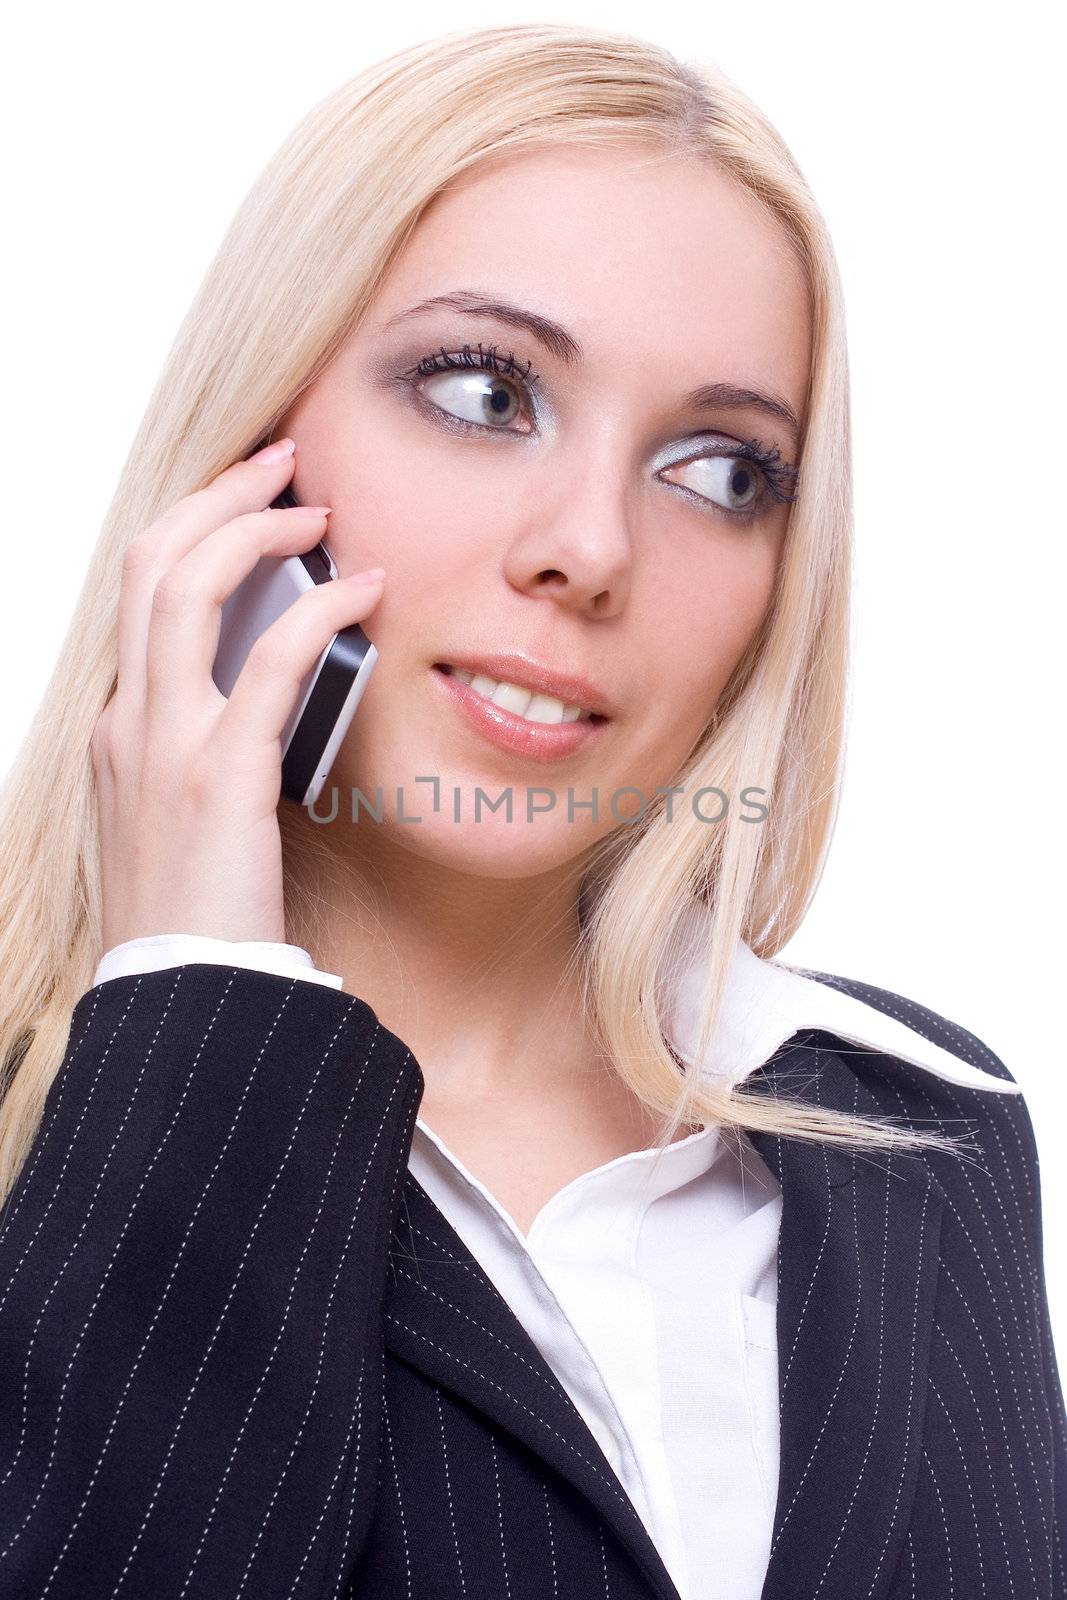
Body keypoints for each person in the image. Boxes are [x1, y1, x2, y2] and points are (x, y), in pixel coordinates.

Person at [0, 21, 1062, 1600]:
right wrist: (200, 1016)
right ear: (252, 449)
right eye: (484, 390)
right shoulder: (53, 1124)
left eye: (719, 470)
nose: (591, 549)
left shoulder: (928, 1121)